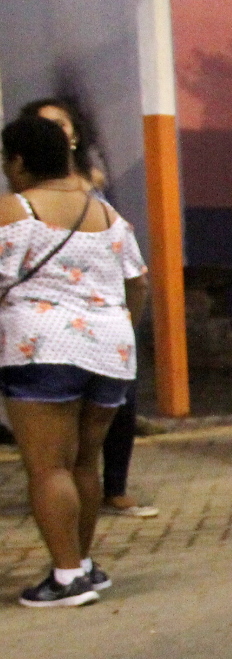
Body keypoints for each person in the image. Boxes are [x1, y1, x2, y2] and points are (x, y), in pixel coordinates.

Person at [0, 115, 149, 606]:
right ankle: (83, 565)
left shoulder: (16, 210)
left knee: (47, 469)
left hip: (42, 348)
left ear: (19, 161)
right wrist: (122, 324)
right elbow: (139, 282)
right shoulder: (106, 214)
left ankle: (65, 578)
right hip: (110, 348)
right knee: (86, 462)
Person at [25, 98, 156, 518]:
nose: (54, 134)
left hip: (98, 319)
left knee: (115, 410)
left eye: (60, 125)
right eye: (43, 127)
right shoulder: (24, 197)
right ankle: (73, 537)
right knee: (66, 443)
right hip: (67, 329)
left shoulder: (92, 185)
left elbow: (133, 272)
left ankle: (108, 491)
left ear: (75, 135)